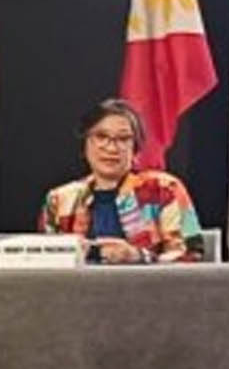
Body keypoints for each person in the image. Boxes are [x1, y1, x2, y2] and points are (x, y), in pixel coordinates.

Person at [39, 98, 203, 263]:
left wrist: (139, 256)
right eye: (101, 136)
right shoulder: (59, 200)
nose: (111, 148)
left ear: (135, 147)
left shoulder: (164, 189)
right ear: (85, 143)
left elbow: (190, 254)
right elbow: (45, 263)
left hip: (147, 281)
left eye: (123, 139)